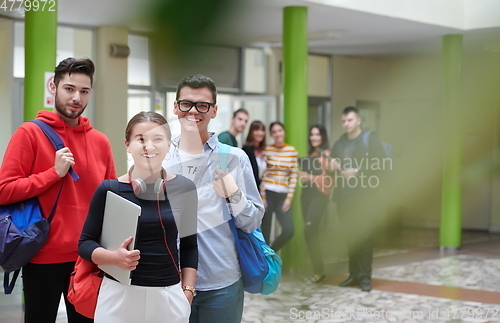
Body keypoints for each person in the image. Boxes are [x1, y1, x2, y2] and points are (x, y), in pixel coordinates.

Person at [0, 57, 116, 323]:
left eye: (84, 91)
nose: (76, 97)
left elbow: (111, 199)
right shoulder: (29, 133)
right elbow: (4, 190)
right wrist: (53, 174)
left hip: (88, 257)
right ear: (53, 87)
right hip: (43, 256)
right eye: (69, 88)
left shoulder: (100, 141)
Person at [162, 75, 264, 323]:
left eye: (203, 105)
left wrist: (233, 194)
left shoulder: (234, 158)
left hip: (222, 282)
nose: (193, 111)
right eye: (186, 103)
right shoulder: (161, 158)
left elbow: (252, 222)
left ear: (214, 110)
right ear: (175, 107)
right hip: (170, 281)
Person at [79, 111, 198, 322]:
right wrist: (113, 258)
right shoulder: (109, 189)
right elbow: (84, 243)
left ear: (169, 145)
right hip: (118, 294)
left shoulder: (185, 189)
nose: (149, 146)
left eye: (157, 139)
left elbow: (190, 246)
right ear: (127, 144)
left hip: (168, 297)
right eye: (140, 139)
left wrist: (187, 292)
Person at [329, 106, 385, 292]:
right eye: (344, 121)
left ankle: (365, 278)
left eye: (350, 120)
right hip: (344, 199)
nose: (346, 124)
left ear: (358, 120)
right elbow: (333, 168)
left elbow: (381, 164)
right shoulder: (339, 143)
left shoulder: (370, 139)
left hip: (364, 199)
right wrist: (332, 166)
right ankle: (353, 275)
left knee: (365, 237)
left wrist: (357, 172)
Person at [298, 124, 332, 283]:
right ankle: (319, 270)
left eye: (317, 134)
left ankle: (319, 271)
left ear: (323, 137)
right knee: (312, 233)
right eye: (312, 135)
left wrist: (309, 177)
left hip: (319, 197)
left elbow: (328, 182)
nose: (314, 138)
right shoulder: (310, 155)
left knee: (309, 231)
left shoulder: (327, 155)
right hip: (306, 196)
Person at [260, 121, 298, 252]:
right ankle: (263, 264)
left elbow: (294, 176)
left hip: (283, 195)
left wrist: (289, 198)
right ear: (271, 134)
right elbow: (263, 175)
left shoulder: (291, 151)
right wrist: (263, 197)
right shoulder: (267, 150)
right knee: (265, 231)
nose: (277, 134)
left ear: (284, 132)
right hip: (268, 193)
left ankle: (271, 252)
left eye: (279, 131)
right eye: (274, 132)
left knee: (289, 230)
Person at [242, 120, 266, 188]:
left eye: (262, 130)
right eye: (257, 130)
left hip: (261, 189)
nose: (260, 133)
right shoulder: (246, 150)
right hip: (249, 189)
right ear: (251, 132)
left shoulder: (263, 150)